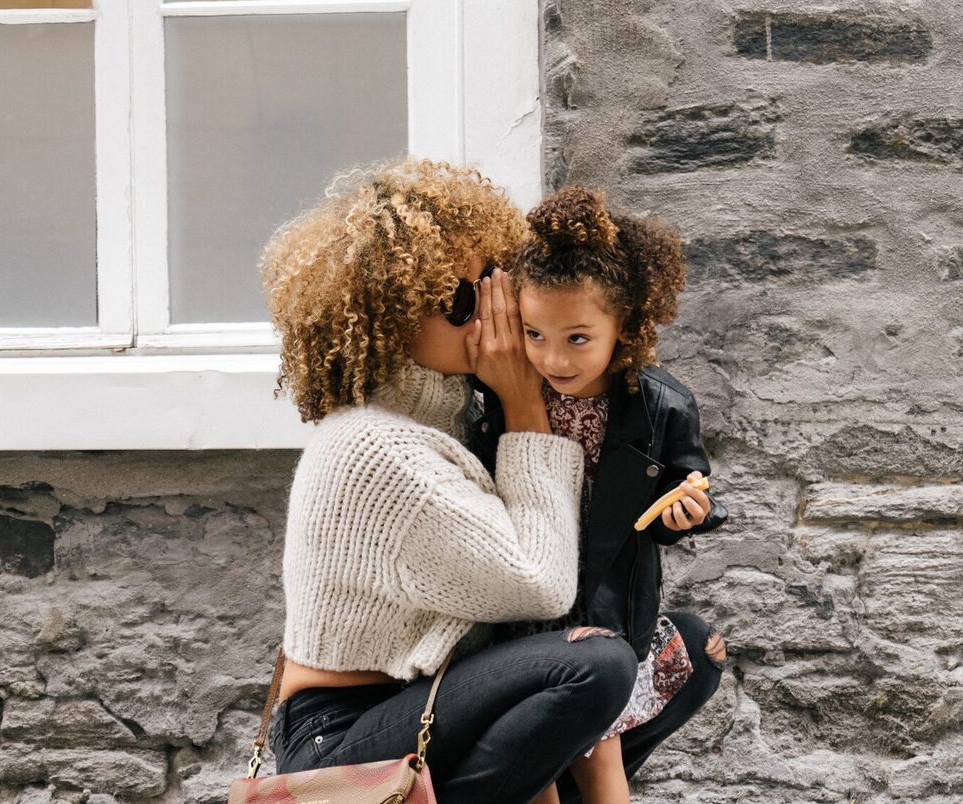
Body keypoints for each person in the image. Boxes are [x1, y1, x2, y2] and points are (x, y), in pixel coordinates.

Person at [258, 158, 639, 803]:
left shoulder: (452, 421)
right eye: (461, 300)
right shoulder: (374, 449)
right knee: (595, 667)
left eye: (494, 285)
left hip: (421, 702)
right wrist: (525, 403)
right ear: (389, 315)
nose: (489, 315)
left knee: (683, 648)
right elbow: (539, 583)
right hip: (340, 734)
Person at [471, 186, 732, 804]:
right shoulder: (500, 397)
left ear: (626, 326)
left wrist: (684, 512)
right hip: (520, 601)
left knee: (600, 756)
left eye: (577, 338)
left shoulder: (661, 405)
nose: (553, 358)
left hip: (605, 609)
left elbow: (684, 485)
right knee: (536, 769)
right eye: (534, 334)